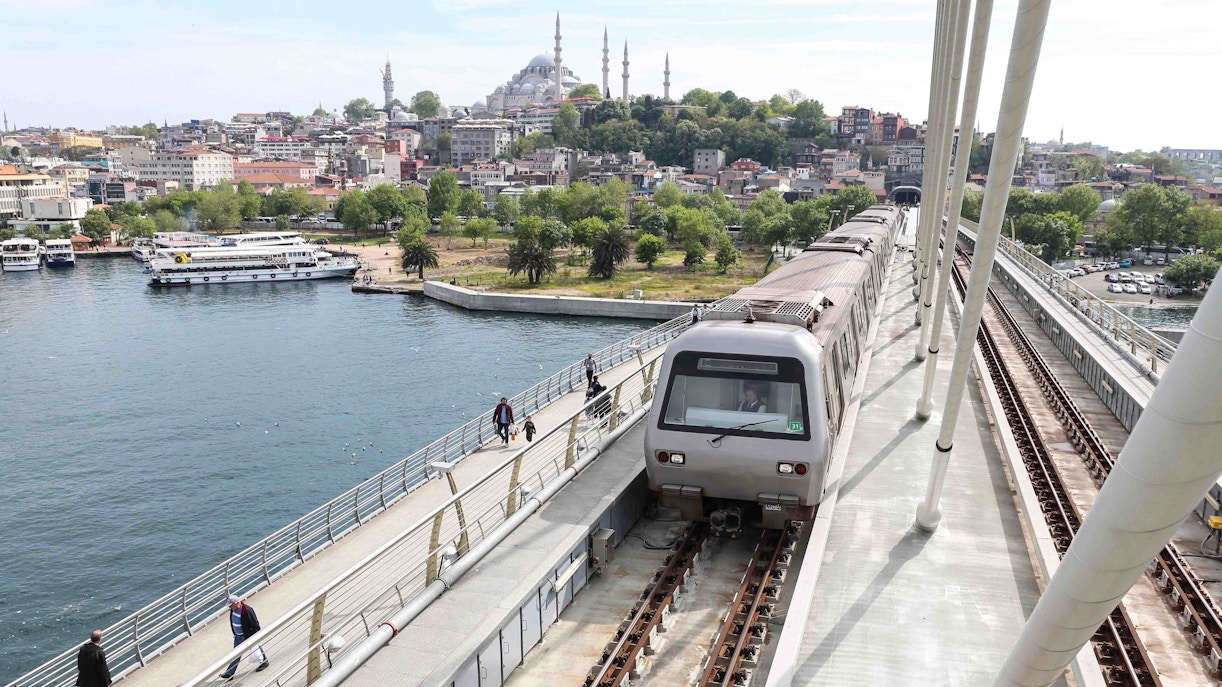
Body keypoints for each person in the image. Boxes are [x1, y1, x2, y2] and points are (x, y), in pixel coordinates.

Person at [219, 594, 268, 680]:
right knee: (235, 654)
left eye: (231, 605)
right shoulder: (233, 610)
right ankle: (229, 673)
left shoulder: (247, 610)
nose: (230, 607)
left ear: (236, 603)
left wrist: (255, 636)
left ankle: (264, 662)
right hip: (238, 636)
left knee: (255, 648)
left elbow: (255, 624)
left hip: (246, 635)